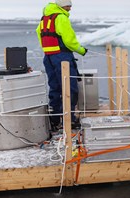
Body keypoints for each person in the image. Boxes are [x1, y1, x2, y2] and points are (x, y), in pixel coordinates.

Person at [36, 0, 87, 130]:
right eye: (68, 5)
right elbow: (69, 40)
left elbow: (39, 34)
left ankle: (55, 119)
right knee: (70, 88)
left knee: (55, 88)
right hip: (62, 57)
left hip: (48, 57)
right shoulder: (61, 18)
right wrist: (81, 50)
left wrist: (48, 51)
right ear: (62, 5)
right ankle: (69, 120)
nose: (70, 8)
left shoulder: (45, 18)